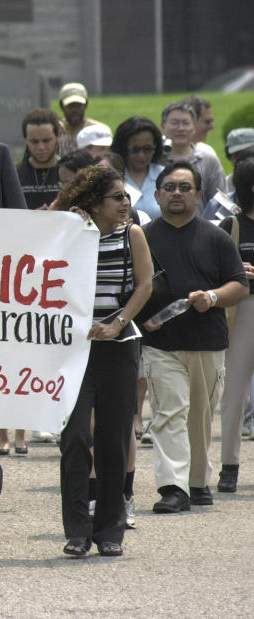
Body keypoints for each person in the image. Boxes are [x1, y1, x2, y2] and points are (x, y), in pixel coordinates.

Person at [55, 166, 152, 557]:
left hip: (119, 346)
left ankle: (110, 530)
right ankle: (77, 531)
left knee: (113, 440)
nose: (126, 204)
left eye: (126, 197)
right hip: (74, 349)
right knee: (75, 438)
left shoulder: (133, 234)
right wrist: (66, 216)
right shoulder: (67, 230)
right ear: (95, 203)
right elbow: (29, 240)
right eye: (117, 198)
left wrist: (118, 323)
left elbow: (146, 285)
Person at [140, 162, 248, 514]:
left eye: (185, 188)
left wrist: (213, 297)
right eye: (169, 187)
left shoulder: (216, 237)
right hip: (161, 344)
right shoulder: (143, 237)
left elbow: (239, 285)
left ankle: (198, 482)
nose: (177, 193)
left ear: (199, 196)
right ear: (157, 195)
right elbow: (134, 287)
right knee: (168, 412)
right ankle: (173, 487)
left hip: (208, 342)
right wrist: (142, 320)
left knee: (200, 417)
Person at [215, 159, 254, 492]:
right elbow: (212, 265)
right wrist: (236, 268)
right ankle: (230, 463)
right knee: (234, 394)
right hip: (241, 311)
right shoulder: (231, 225)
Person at [160, 101, 226, 208]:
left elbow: (220, 202)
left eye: (186, 123)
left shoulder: (208, 160)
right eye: (174, 123)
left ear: (194, 128)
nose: (180, 128)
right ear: (163, 126)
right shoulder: (156, 159)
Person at [110, 116, 166, 220]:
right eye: (135, 149)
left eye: (147, 149)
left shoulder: (166, 175)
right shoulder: (112, 176)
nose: (141, 155)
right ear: (123, 147)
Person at [16, 108, 62, 210]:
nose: (41, 147)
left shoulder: (71, 173)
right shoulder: (14, 175)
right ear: (25, 139)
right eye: (34, 141)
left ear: (58, 135)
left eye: (46, 140)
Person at [57, 82, 105, 153]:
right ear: (61, 106)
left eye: (78, 106)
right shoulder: (54, 130)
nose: (74, 110)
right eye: (70, 106)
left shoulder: (98, 131)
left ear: (86, 105)